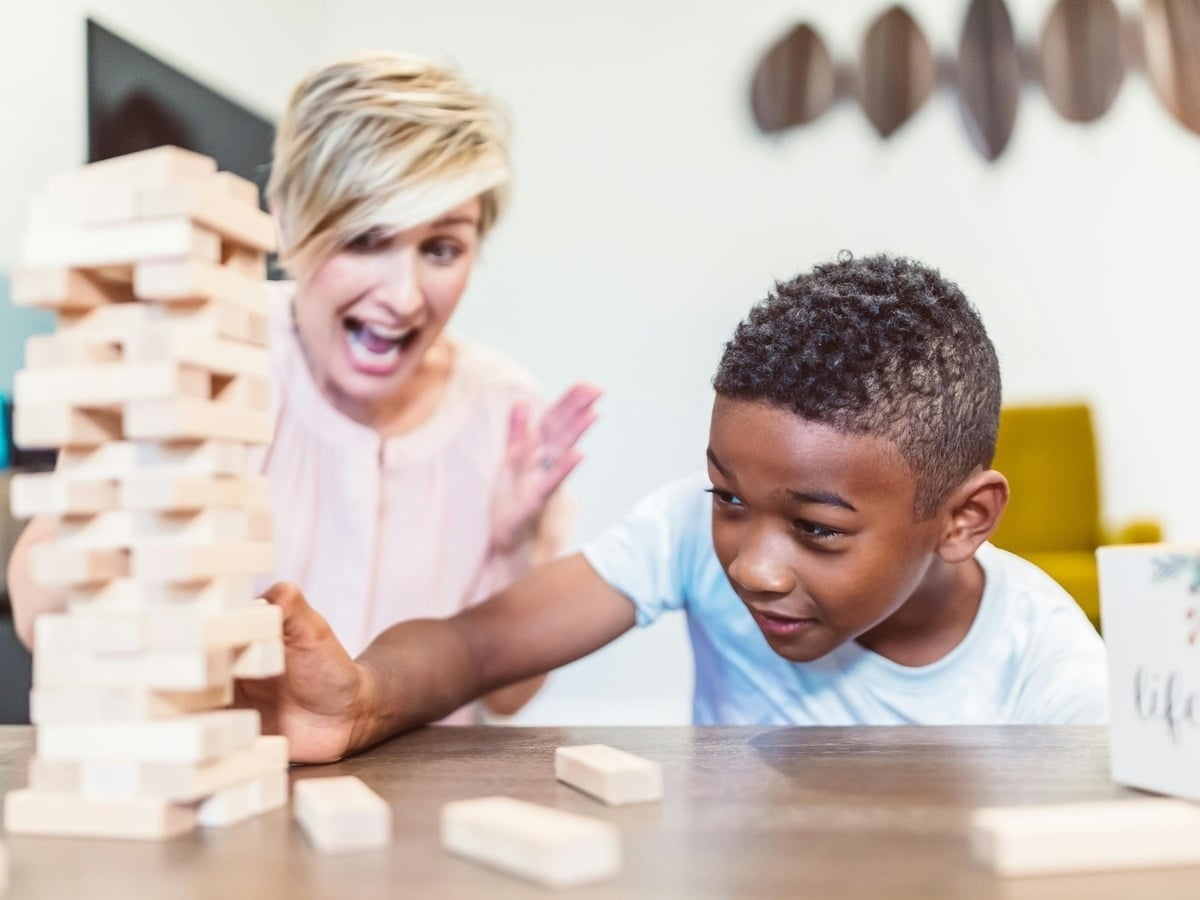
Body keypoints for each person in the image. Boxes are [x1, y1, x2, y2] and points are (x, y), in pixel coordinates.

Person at [242, 252, 1109, 762]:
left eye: (818, 530)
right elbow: (477, 645)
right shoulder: (690, 537)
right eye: (728, 495)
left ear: (965, 519)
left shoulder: (1054, 673)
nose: (751, 565)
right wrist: (356, 701)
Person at [8, 51, 601, 720]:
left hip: (415, 808)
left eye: (441, 248)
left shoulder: (508, 414)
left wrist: (508, 547)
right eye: (364, 238)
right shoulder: (202, 347)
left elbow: (511, 695)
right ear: (285, 222)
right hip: (227, 794)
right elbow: (39, 615)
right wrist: (131, 474)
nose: (403, 298)